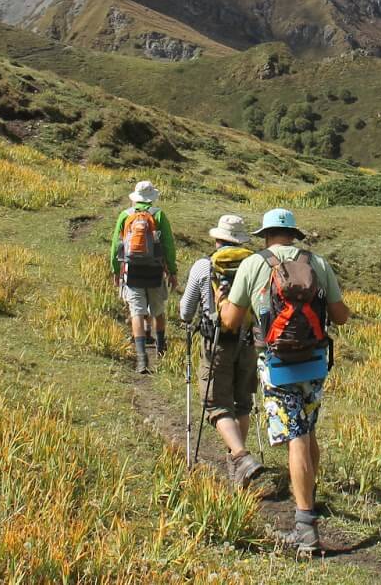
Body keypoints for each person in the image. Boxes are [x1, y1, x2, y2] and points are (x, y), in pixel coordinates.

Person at [220, 208, 351, 556]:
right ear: (294, 234)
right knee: (307, 430)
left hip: (276, 363)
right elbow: (341, 315)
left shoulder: (253, 264)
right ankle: (308, 500)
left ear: (265, 235)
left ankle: (305, 527)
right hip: (315, 361)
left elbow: (231, 321)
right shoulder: (317, 262)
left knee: (295, 436)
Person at [178, 213, 265, 487]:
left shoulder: (204, 266)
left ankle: (240, 457)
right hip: (249, 341)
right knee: (242, 402)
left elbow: (185, 310)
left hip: (217, 341)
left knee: (215, 403)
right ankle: (237, 464)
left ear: (217, 239)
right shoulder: (256, 265)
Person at [111, 180, 176, 374]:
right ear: (152, 198)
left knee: (136, 312)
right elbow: (169, 245)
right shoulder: (159, 215)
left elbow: (116, 245)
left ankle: (142, 359)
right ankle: (161, 348)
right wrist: (172, 271)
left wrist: (116, 270)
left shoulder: (125, 215)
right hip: (155, 270)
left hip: (132, 270)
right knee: (158, 310)